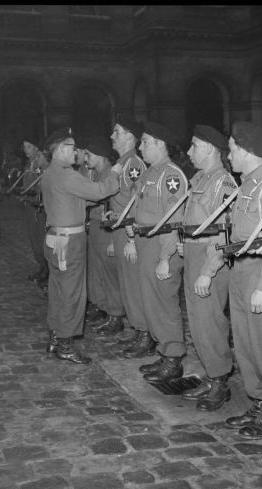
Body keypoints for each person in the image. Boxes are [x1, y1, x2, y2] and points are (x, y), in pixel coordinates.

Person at [223, 122, 262, 440]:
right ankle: (258, 399)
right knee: (245, 342)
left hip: (260, 270)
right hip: (240, 269)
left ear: (248, 151)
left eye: (233, 148)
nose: (229, 154)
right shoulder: (246, 184)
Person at [41, 127, 121, 364]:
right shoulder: (67, 174)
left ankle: (55, 337)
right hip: (70, 242)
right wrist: (114, 173)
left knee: (57, 291)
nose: (76, 152)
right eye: (72, 147)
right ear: (60, 149)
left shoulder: (50, 173)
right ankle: (66, 343)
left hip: (54, 239)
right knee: (72, 294)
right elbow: (99, 192)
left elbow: (74, 199)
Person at [178, 124, 237, 411]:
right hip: (193, 250)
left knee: (211, 321)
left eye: (195, 146)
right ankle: (211, 373)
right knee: (198, 322)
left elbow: (224, 233)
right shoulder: (200, 178)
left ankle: (220, 381)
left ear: (212, 149)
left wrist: (209, 270)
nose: (189, 152)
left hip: (208, 255)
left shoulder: (223, 183)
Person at [133, 122, 189, 383]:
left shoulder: (171, 175)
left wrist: (166, 258)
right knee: (151, 302)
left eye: (145, 141)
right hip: (146, 243)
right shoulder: (149, 173)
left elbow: (174, 219)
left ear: (160, 143)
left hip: (161, 245)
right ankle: (163, 351)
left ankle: (173, 358)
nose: (140, 146)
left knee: (164, 303)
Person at [108, 116, 154, 357]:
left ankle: (146, 334)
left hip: (129, 232)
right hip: (119, 229)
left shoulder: (133, 164)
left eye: (116, 132)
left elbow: (136, 204)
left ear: (129, 136)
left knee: (136, 286)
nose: (112, 136)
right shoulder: (122, 163)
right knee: (127, 285)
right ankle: (138, 330)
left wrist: (131, 240)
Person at [83, 136, 125, 337]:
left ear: (100, 155)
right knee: (97, 271)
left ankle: (115, 315)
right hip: (95, 226)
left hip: (106, 228)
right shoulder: (96, 174)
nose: (85, 159)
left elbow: (115, 207)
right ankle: (102, 307)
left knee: (109, 274)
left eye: (89, 155)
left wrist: (111, 239)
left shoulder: (111, 175)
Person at [19, 136, 49, 285]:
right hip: (30, 205)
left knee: (41, 238)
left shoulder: (40, 164)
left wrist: (32, 193)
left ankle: (47, 269)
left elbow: (43, 185)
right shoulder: (29, 164)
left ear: (37, 148)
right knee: (34, 238)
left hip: (38, 207)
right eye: (24, 147)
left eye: (29, 147)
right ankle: (42, 266)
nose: (26, 150)